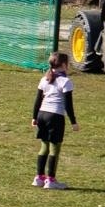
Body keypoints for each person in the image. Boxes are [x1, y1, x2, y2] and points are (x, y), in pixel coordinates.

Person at [32, 52, 78, 189]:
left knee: (44, 146)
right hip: (55, 117)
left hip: (42, 114)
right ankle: (51, 180)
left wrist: (34, 117)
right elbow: (68, 105)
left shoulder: (44, 79)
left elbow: (37, 100)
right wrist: (73, 122)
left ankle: (39, 178)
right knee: (54, 149)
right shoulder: (66, 81)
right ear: (64, 65)